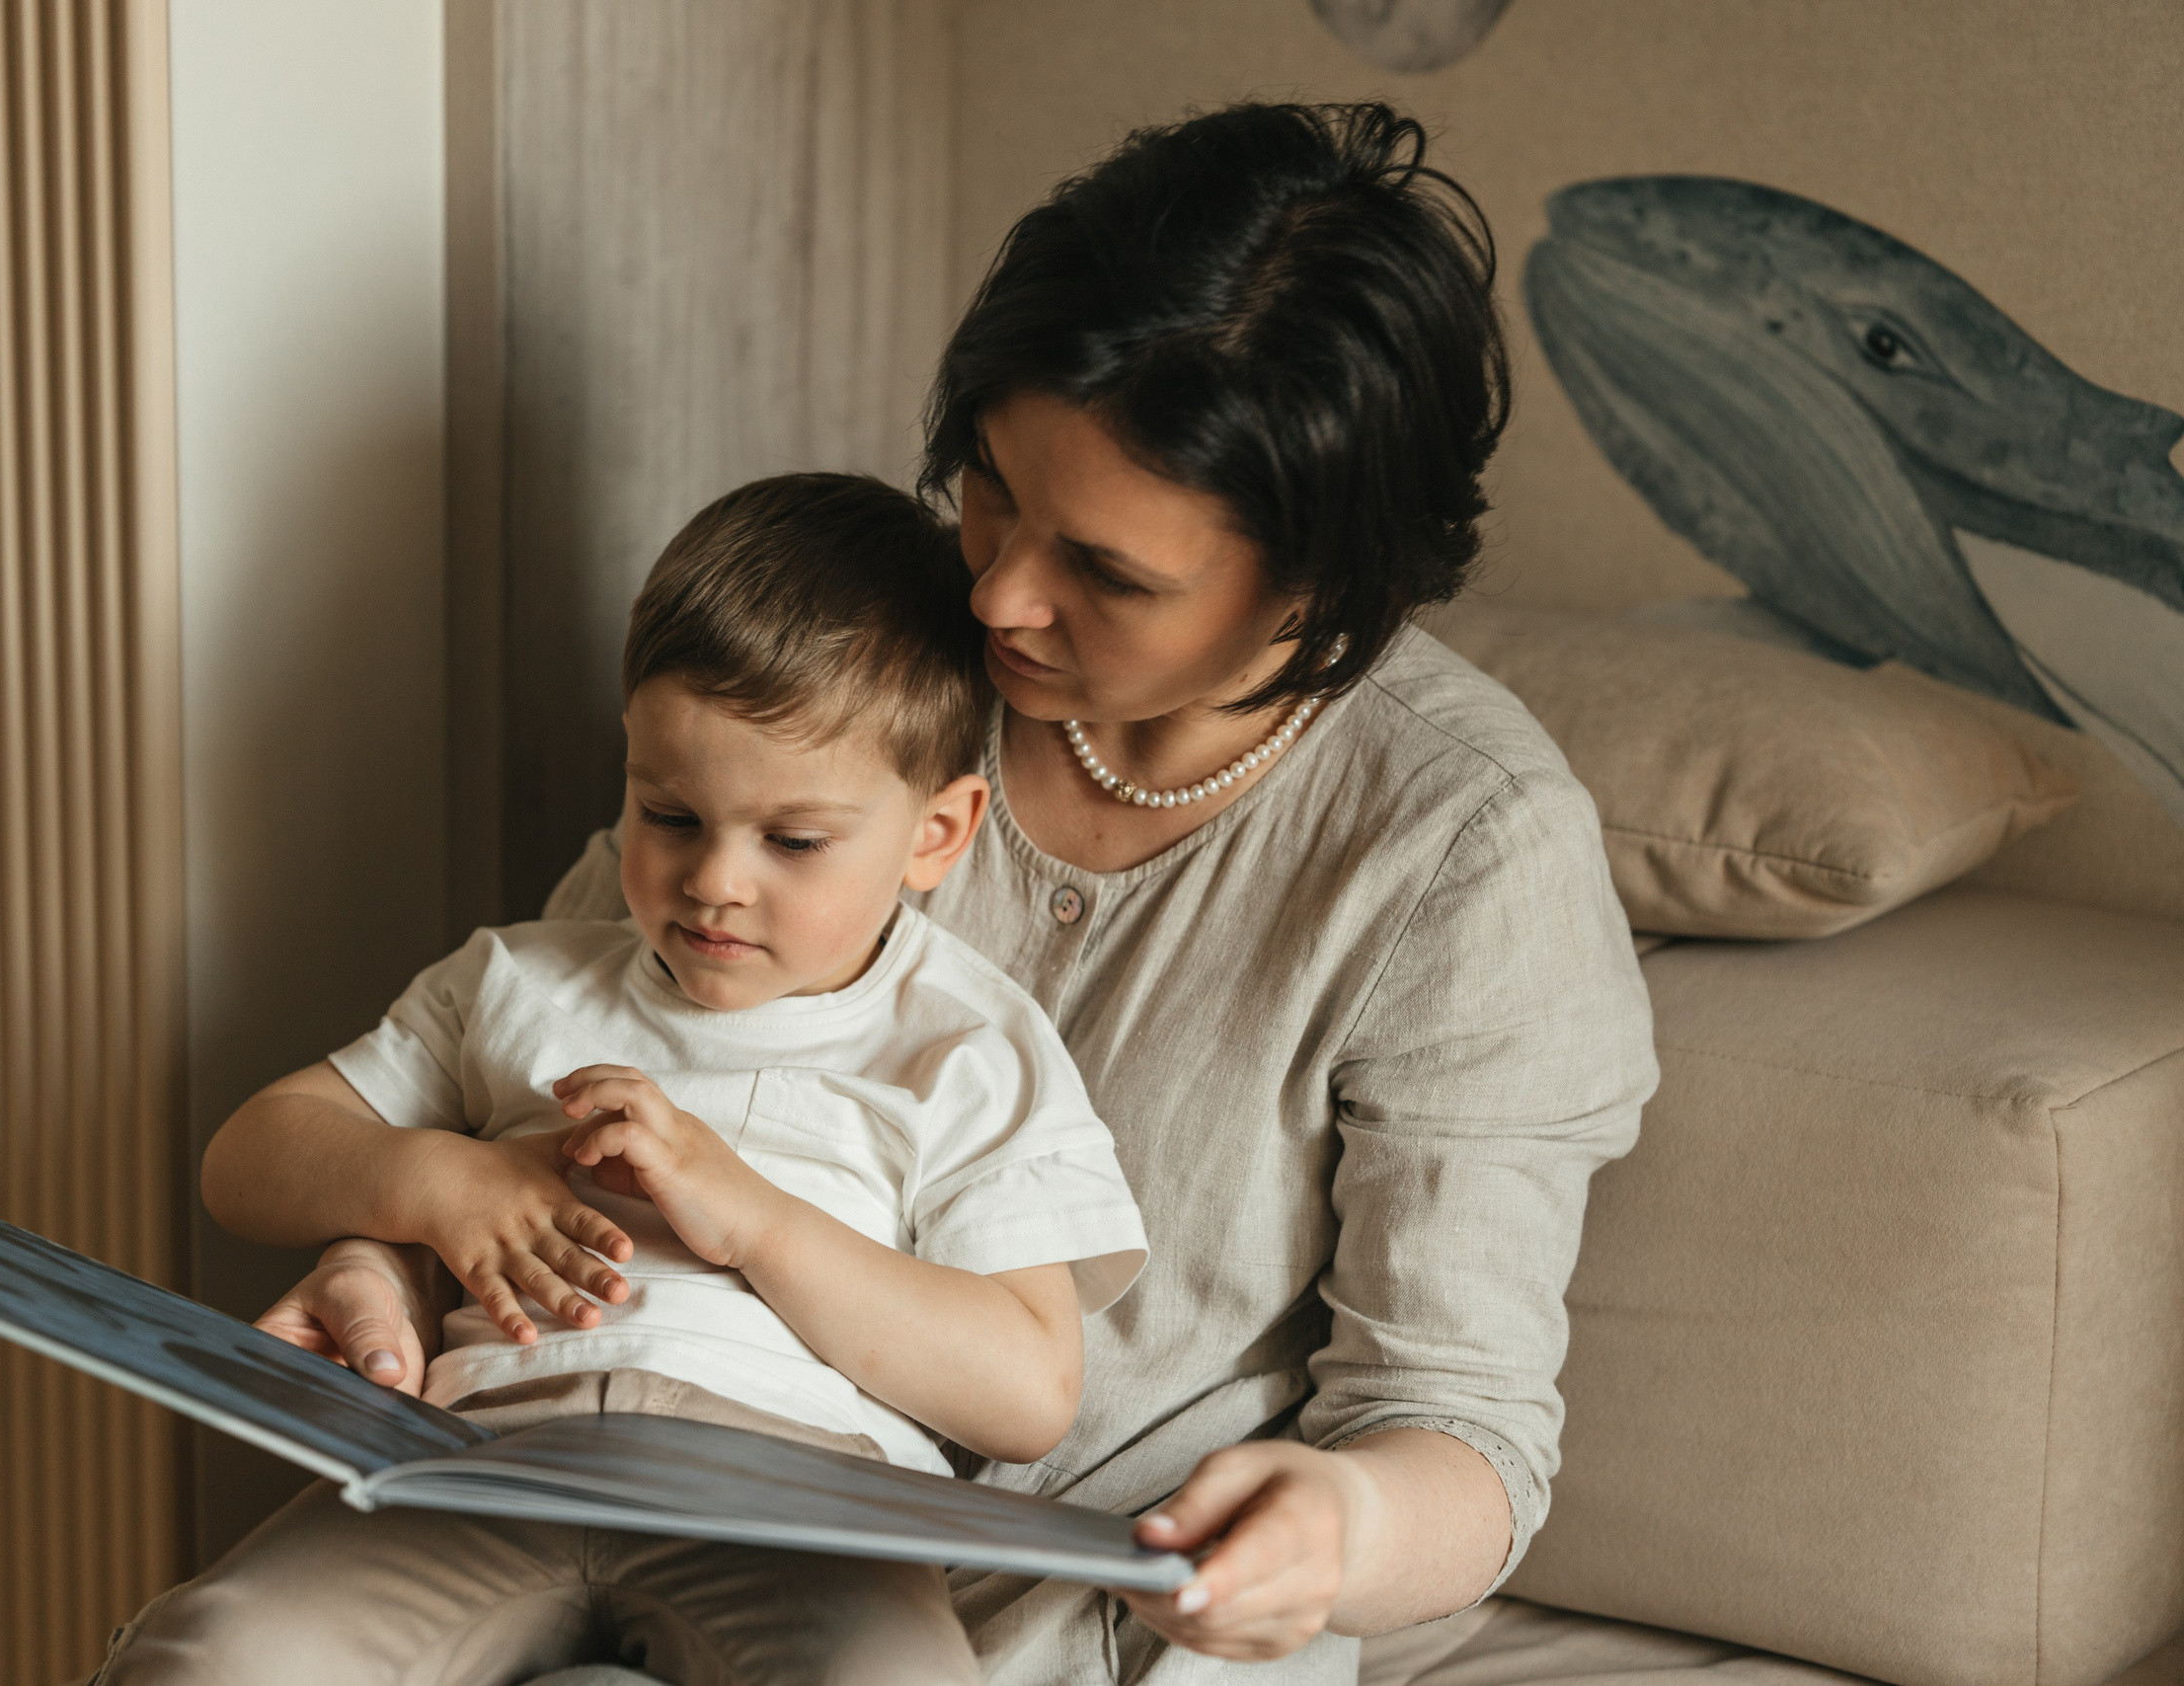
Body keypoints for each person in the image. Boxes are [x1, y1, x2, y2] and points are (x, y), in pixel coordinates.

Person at [249, 100, 1659, 1683]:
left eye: (1109, 573)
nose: (996, 591)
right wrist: (391, 1253)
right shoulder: (867, 661)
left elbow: (1462, 1432)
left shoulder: (1462, 849)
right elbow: (554, 1068)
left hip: (1081, 1630)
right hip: (639, 1530)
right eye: (988, 486)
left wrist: (1339, 1524)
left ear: (1326, 584)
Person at [92, 475, 1149, 1683]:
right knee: (217, 1654)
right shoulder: (521, 981)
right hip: (478, 1455)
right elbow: (248, 1159)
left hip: (801, 1502)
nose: (714, 881)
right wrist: (437, 1178)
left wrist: (751, 1217)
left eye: (791, 841)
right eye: (669, 812)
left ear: (937, 834)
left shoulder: (968, 1045)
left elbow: (1027, 1390)